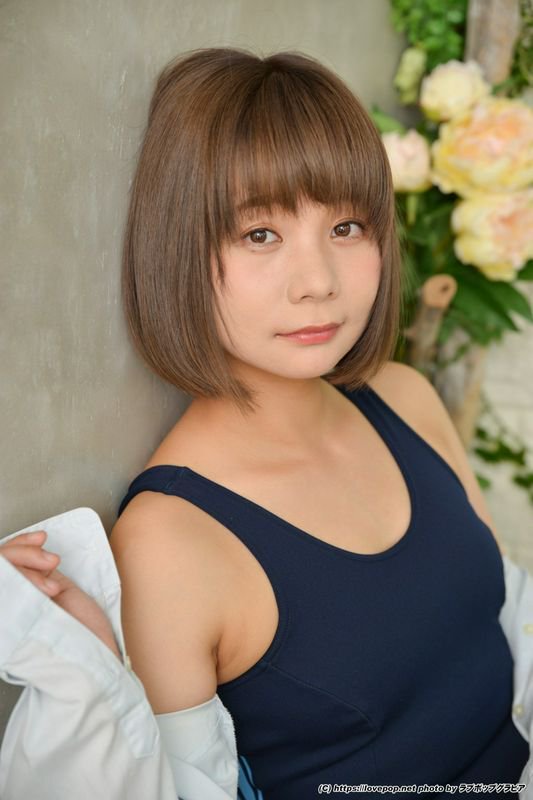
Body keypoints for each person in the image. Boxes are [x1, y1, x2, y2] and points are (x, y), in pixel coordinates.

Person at [1, 48, 530, 798]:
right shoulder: (169, 544)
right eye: (259, 235)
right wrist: (85, 674)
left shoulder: (404, 397)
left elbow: (508, 633)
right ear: (178, 248)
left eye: (346, 226)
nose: (317, 282)